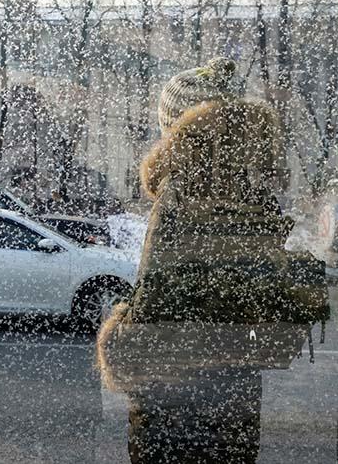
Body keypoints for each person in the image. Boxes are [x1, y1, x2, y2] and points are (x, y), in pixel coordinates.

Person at [97, 57, 329, 463]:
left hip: (174, 403)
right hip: (234, 395)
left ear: (178, 126)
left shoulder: (182, 193)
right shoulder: (249, 190)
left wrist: (118, 336)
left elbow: (157, 313)